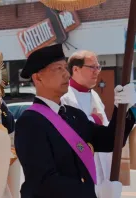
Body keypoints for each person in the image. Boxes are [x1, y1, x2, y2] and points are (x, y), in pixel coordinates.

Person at [14, 43, 136, 198]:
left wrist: (123, 108)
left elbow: (110, 140)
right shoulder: (29, 122)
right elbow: (43, 182)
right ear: (38, 77)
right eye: (58, 69)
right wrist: (93, 192)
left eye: (66, 68)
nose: (66, 74)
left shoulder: (73, 115)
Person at [60, 50, 116, 188]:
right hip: (81, 169)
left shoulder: (94, 95)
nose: (97, 71)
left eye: (98, 67)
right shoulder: (65, 97)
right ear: (76, 69)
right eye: (92, 67)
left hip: (103, 165)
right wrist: (94, 120)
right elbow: (71, 133)